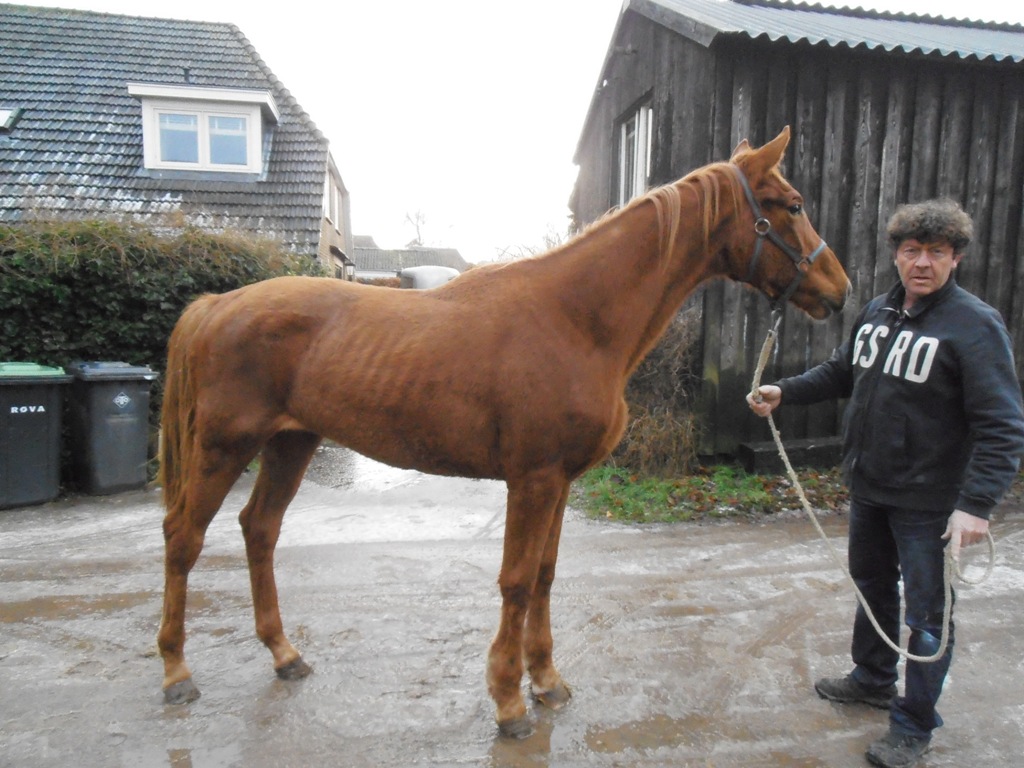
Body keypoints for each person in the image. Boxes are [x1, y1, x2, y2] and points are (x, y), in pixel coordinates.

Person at [747, 198, 1024, 768]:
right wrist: (785, 391)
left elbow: (1002, 424)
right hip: (870, 485)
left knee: (928, 619)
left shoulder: (975, 325)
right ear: (897, 255)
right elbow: (844, 371)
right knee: (872, 586)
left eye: (936, 253)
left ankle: (913, 725)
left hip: (930, 502)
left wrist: (975, 505)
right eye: (911, 250)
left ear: (956, 259)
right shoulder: (878, 310)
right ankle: (872, 677)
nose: (922, 262)